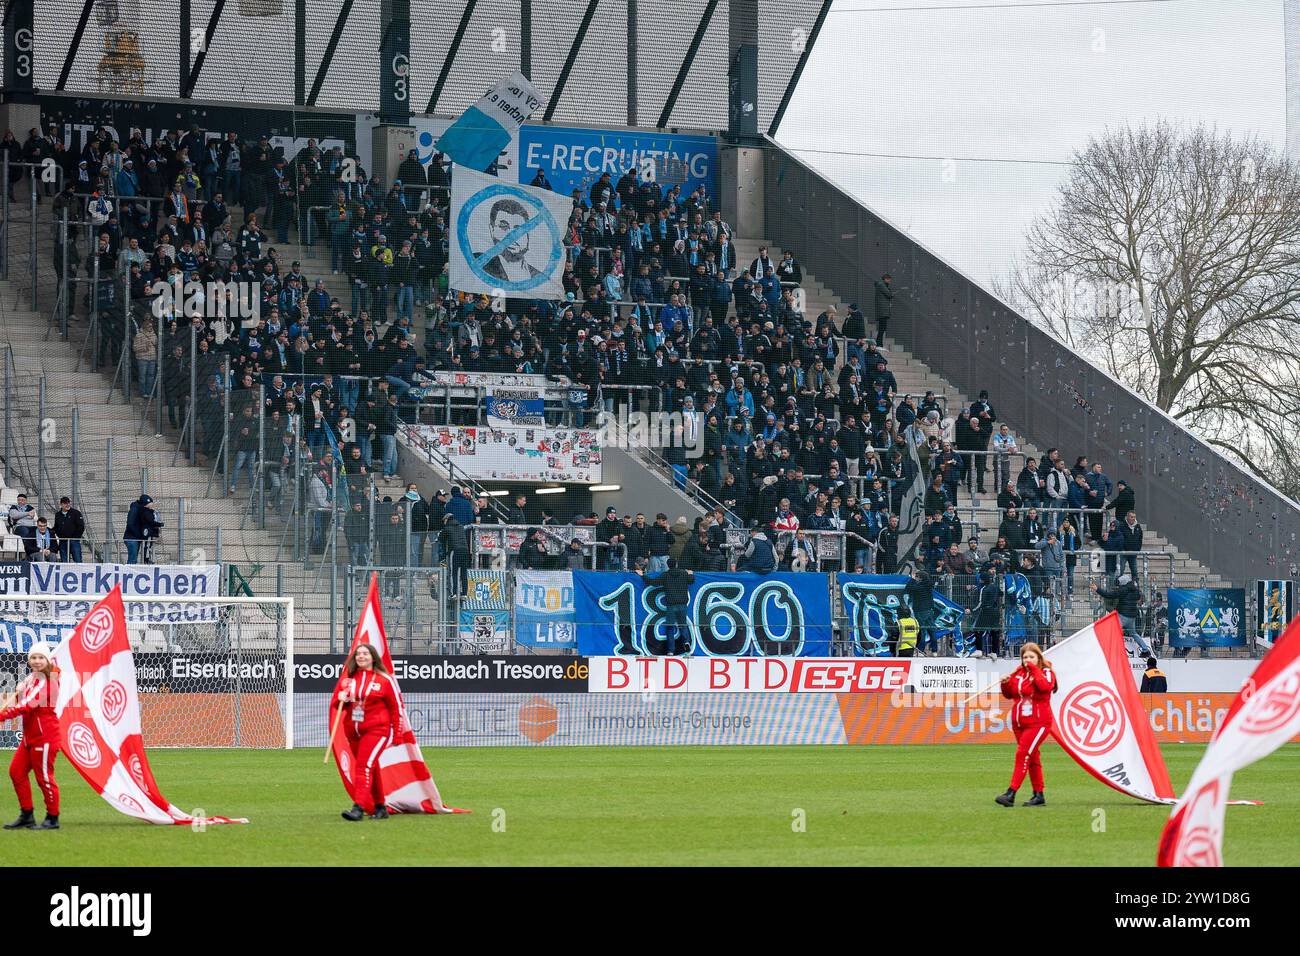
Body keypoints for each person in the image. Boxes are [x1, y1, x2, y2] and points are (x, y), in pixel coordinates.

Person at [333, 643, 400, 821]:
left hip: (377, 729)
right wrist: (341, 698)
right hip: (354, 732)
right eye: (358, 654)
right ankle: (380, 807)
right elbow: (337, 704)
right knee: (372, 766)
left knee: (363, 766)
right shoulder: (349, 679)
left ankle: (358, 807)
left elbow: (396, 707)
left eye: (365, 653)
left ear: (373, 657)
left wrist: (397, 733)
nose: (361, 657)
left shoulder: (384, 680)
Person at [1, 642, 62, 830]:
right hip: (30, 737)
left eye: (40, 657)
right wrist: (20, 691)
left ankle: (52, 818)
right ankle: (26, 815)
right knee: (16, 772)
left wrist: (2, 715)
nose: (36, 661)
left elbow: (27, 705)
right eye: (33, 658)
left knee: (44, 777)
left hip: (45, 738)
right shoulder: (31, 678)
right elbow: (25, 701)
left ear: (47, 659)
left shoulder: (48, 681)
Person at [994, 642, 1058, 808]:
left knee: (1022, 754)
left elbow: (1045, 687)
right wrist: (1005, 683)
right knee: (1032, 757)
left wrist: (1035, 669)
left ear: (1038, 658)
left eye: (1031, 657)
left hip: (1039, 722)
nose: (1027, 660)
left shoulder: (1046, 672)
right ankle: (1039, 794)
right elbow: (1010, 694)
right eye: (1025, 657)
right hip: (1019, 722)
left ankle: (1011, 793)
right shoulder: (1019, 673)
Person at [638, 559, 695, 655]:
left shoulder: (665, 575)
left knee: (670, 628)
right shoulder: (683, 574)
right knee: (682, 625)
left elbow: (653, 582)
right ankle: (686, 641)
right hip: (682, 604)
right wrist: (690, 573)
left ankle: (670, 650)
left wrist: (643, 575)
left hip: (671, 606)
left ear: (668, 566)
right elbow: (692, 580)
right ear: (676, 564)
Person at [1090, 574, 1152, 656]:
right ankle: (1145, 649)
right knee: (1134, 634)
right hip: (1132, 617)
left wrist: (1097, 589)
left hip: (1122, 615)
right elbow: (1137, 598)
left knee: (1112, 631)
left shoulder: (1123, 590)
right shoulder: (1136, 590)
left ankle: (1107, 650)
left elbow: (1109, 595)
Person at [123, 494, 163, 564]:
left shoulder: (142, 510)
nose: (150, 507)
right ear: (145, 504)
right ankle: (128, 574)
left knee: (134, 559)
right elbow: (130, 524)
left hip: (135, 538)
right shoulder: (135, 509)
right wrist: (139, 535)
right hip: (132, 538)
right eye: (149, 505)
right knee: (132, 560)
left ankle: (130, 573)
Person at [53, 497, 85, 562]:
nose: (67, 505)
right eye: (65, 503)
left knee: (77, 560)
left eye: (68, 503)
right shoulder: (58, 515)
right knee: (64, 561)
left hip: (74, 541)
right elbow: (56, 527)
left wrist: (75, 537)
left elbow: (81, 527)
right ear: (61, 504)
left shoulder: (76, 513)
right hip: (63, 541)